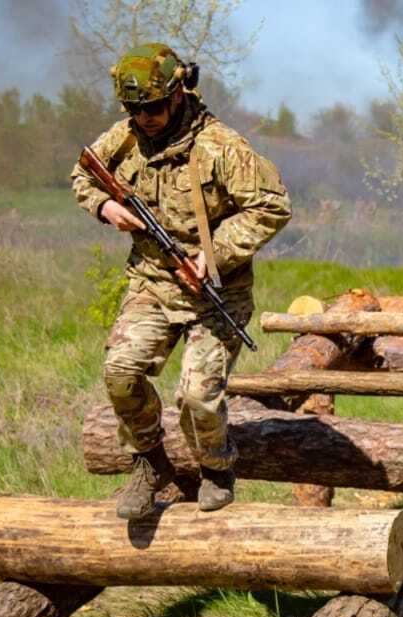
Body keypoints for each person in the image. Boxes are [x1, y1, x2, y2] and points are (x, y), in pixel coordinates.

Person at [71, 43, 291, 520]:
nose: (144, 118)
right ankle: (149, 462)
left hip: (217, 294)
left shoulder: (222, 147)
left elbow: (272, 207)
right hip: (152, 283)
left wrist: (210, 257)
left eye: (153, 107)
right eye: (134, 109)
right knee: (120, 374)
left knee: (196, 395)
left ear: (178, 93)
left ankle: (216, 466)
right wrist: (106, 208)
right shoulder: (124, 139)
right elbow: (83, 173)